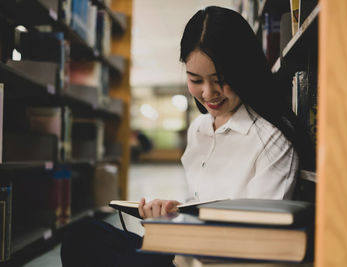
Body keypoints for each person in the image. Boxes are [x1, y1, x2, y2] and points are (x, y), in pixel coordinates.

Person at [61, 6, 313, 267]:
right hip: (184, 253)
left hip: (222, 260)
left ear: (244, 70)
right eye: (195, 79)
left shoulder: (272, 140)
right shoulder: (200, 129)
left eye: (220, 80)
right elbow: (200, 205)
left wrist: (176, 234)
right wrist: (170, 218)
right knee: (81, 236)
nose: (208, 93)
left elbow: (259, 242)